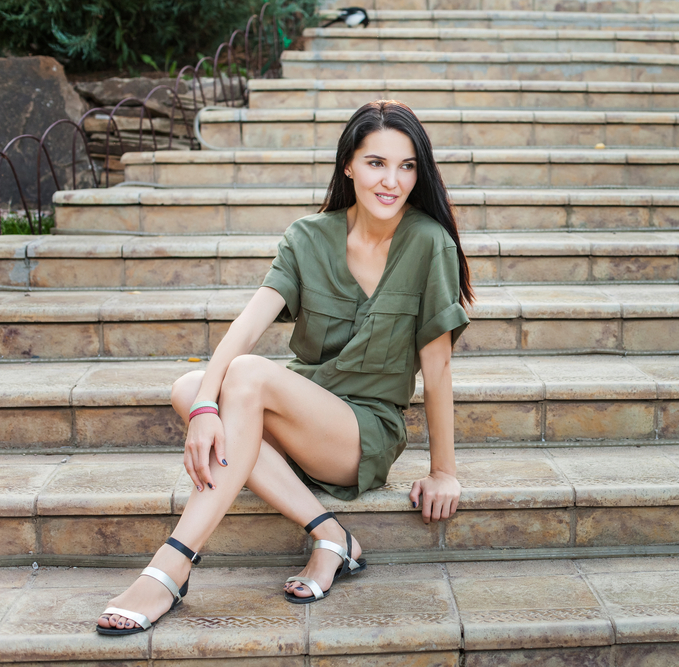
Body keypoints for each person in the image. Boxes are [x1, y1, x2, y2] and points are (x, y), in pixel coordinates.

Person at [96, 100, 474, 634]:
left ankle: (171, 566)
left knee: (244, 376)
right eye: (376, 163)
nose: (392, 180)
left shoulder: (429, 243)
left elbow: (437, 371)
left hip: (362, 431)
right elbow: (249, 325)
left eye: (407, 166)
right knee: (189, 387)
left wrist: (444, 472)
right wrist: (204, 405)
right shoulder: (307, 237)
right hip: (303, 403)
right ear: (348, 165)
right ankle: (330, 534)